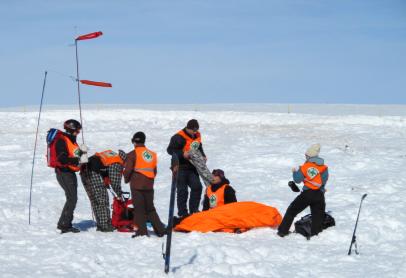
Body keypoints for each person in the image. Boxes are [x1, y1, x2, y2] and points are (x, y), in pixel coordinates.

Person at [277, 143, 329, 237]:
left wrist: (294, 172)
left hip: (307, 194)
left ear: (309, 156)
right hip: (319, 195)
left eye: (306, 155)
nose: (305, 157)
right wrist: (321, 189)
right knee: (317, 216)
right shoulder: (323, 167)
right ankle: (316, 235)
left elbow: (297, 180)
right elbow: (324, 180)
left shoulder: (305, 167)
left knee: (291, 211)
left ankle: (282, 231)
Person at [123, 132, 166, 237]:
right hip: (149, 185)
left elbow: (128, 170)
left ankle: (141, 232)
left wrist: (127, 179)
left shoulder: (132, 154)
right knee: (150, 209)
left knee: (139, 210)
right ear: (144, 141)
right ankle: (160, 230)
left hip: (137, 185)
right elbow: (154, 171)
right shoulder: (152, 154)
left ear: (134, 141)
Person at [167, 119, 206, 218]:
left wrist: (203, 156)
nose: (195, 132)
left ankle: (194, 211)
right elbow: (170, 150)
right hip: (180, 167)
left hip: (192, 167)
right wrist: (182, 154)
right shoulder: (177, 137)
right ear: (188, 128)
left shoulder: (196, 137)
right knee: (182, 191)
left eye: (196, 130)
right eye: (193, 130)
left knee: (197, 187)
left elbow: (199, 148)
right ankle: (183, 214)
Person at [80, 149, 126, 232]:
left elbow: (104, 167)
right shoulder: (117, 162)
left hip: (84, 171)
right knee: (102, 199)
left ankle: (101, 224)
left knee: (95, 200)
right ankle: (105, 226)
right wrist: (119, 194)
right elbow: (114, 181)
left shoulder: (112, 154)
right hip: (93, 172)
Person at [54, 119, 87, 233]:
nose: (78, 133)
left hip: (70, 173)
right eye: (77, 131)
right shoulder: (61, 141)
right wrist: (77, 159)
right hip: (64, 173)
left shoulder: (71, 141)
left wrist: (82, 155)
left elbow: (72, 154)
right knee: (72, 198)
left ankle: (64, 223)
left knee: (72, 198)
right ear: (71, 130)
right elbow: (62, 158)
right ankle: (64, 225)